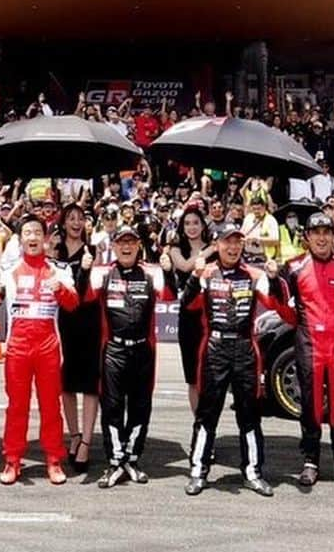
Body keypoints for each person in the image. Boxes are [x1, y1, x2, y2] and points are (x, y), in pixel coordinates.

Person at [266, 212, 334, 488]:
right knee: (309, 404)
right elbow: (282, 304)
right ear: (307, 237)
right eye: (316, 232)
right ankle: (310, 461)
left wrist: (330, 325)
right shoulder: (294, 267)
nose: (321, 237)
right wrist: (273, 278)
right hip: (308, 342)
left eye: (326, 232)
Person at [0, 214, 79, 485]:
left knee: (50, 406)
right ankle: (12, 460)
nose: (33, 237)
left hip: (48, 346)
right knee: (16, 406)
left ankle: (54, 460)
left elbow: (73, 304)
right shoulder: (8, 270)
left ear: (45, 239)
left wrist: (61, 290)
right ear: (20, 239)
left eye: (37, 232)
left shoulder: (59, 270)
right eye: (27, 233)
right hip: (18, 348)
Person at [179, 223, 274, 497]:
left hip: (245, 348)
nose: (233, 248)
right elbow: (187, 305)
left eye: (237, 242)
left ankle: (253, 472)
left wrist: (276, 277)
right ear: (217, 245)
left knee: (250, 415)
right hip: (215, 349)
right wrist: (195, 277)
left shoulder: (254, 275)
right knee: (207, 413)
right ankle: (197, 471)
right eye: (227, 242)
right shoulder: (206, 273)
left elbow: (280, 304)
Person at [79, 223, 176, 487]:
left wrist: (170, 272)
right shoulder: (103, 274)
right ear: (113, 246)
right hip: (114, 351)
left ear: (138, 247)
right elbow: (83, 297)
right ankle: (115, 462)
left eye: (131, 242)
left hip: (143, 350)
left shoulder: (150, 273)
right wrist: (84, 269)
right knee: (111, 408)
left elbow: (169, 295)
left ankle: (132, 460)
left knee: (140, 407)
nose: (126, 246)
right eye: (121, 242)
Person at [55, 203, 99, 471]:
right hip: (64, 320)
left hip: (89, 319)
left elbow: (85, 289)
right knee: (67, 382)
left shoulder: (91, 251)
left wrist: (85, 267)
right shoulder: (55, 252)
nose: (75, 222)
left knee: (90, 383)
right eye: (70, 218)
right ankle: (74, 435)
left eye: (80, 218)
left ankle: (87, 442)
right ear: (63, 223)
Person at [161, 205, 210, 413]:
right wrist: (210, 251)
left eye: (196, 223)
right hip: (188, 314)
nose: (192, 227)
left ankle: (209, 423)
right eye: (187, 223)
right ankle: (198, 423)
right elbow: (184, 266)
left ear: (202, 225)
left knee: (209, 374)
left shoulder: (215, 246)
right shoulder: (175, 248)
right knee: (192, 376)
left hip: (211, 314)